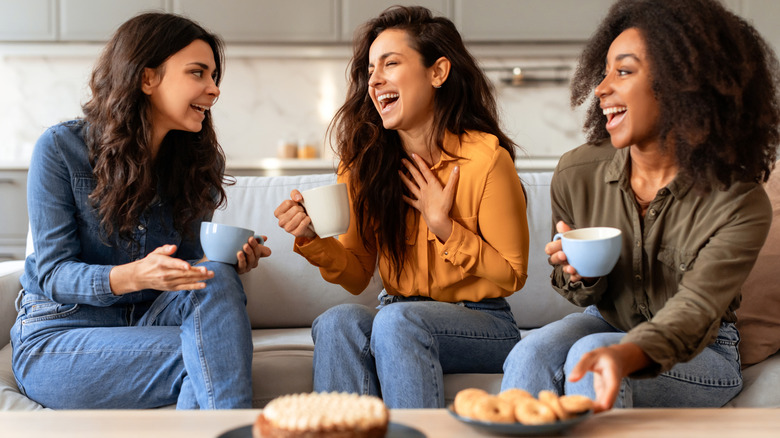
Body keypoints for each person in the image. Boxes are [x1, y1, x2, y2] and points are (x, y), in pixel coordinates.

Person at [501, 0, 780, 412]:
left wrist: (628, 353)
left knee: (590, 357)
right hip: (605, 321)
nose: (600, 88)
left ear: (682, 82)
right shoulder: (578, 173)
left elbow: (695, 310)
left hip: (704, 348)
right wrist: (579, 275)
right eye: (606, 71)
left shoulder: (738, 201)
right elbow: (581, 297)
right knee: (530, 352)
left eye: (624, 71)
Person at [10, 12, 270, 409]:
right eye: (198, 73)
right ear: (148, 78)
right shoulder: (62, 149)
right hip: (62, 334)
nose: (214, 89)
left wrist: (221, 260)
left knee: (214, 277)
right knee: (212, 356)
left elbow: (183, 271)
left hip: (150, 322)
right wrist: (130, 276)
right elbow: (51, 273)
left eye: (214, 77)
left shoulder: (199, 164)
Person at [274, 6, 529, 408]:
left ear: (438, 72)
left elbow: (511, 276)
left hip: (483, 324)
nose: (374, 80)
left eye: (390, 63)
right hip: (399, 314)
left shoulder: (485, 160)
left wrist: (445, 227)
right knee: (338, 322)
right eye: (371, 69)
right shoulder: (363, 165)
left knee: (397, 321)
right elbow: (358, 274)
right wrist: (312, 238)